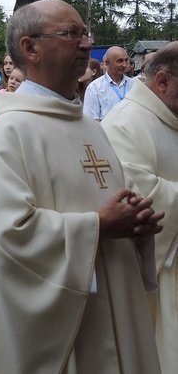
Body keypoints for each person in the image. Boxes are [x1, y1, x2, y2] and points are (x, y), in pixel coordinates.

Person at [0, 0, 163, 374]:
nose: (84, 44)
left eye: (85, 33)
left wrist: (136, 227)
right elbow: (9, 236)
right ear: (30, 48)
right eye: (71, 34)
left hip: (115, 304)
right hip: (65, 330)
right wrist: (98, 226)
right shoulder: (9, 133)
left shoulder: (93, 128)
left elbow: (114, 208)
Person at [102, 42, 178, 372]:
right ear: (163, 81)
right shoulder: (125, 122)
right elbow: (137, 195)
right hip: (160, 270)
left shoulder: (168, 114)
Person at [83, 46, 134, 121]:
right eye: (120, 61)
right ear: (107, 63)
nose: (124, 65)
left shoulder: (134, 85)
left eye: (126, 60)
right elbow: (91, 120)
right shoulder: (95, 88)